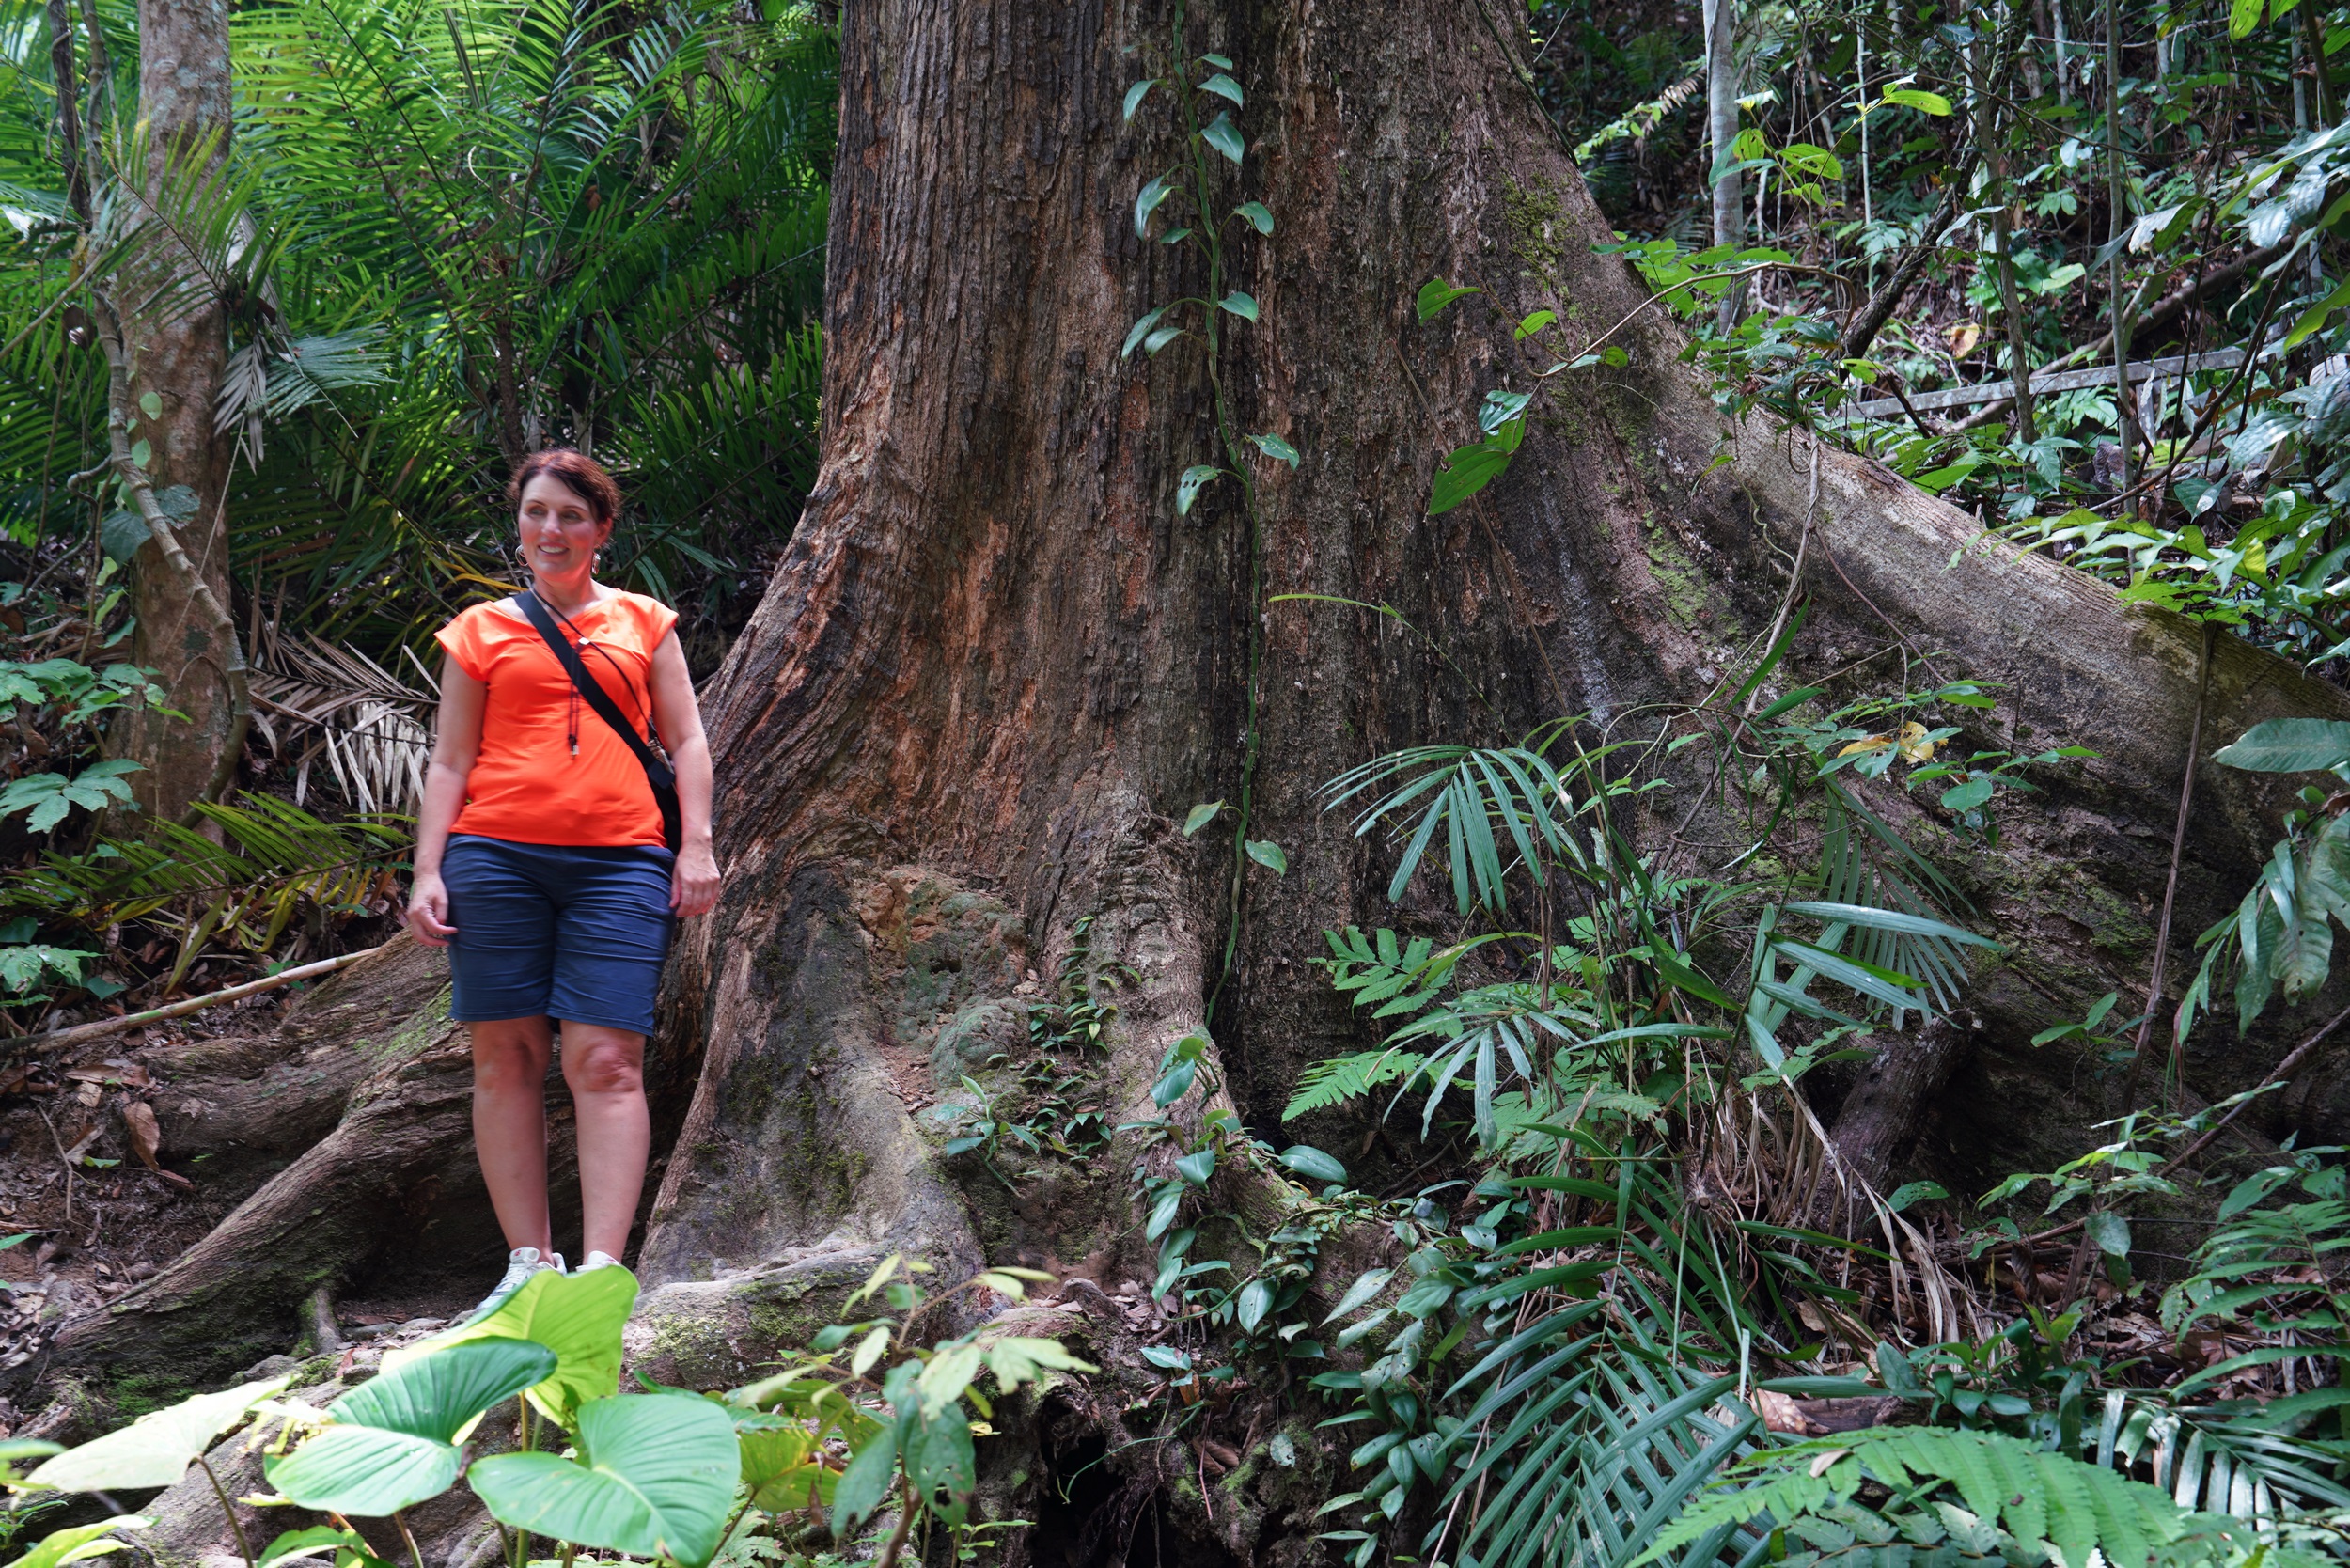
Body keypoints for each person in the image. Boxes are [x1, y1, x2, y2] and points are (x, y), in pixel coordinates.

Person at [405, 448, 719, 1317]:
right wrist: (428, 868)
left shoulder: (646, 623)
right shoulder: (479, 631)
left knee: (607, 1058)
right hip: (494, 858)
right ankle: (527, 1267)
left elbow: (688, 742)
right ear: (520, 522)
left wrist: (696, 846)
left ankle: (601, 1275)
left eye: (572, 516)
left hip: (621, 862)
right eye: (538, 512)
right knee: (505, 1057)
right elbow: (449, 759)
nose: (553, 530)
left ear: (601, 530)